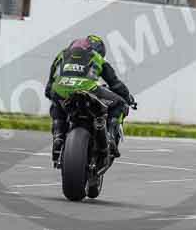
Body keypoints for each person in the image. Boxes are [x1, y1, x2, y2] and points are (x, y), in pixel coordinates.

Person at [44, 35, 135, 167]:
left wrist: (60, 92)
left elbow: (48, 89)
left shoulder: (61, 55)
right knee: (120, 104)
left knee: (56, 102)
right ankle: (109, 136)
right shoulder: (97, 57)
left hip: (61, 90)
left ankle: (58, 135)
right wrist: (128, 98)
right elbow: (115, 84)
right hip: (89, 90)